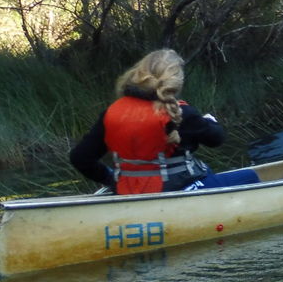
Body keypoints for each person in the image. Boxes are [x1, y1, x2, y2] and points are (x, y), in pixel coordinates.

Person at [69, 49, 261, 195]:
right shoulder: (181, 112)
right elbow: (217, 139)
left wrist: (111, 179)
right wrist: (210, 123)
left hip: (128, 192)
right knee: (250, 176)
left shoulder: (111, 113)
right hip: (174, 192)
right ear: (174, 82)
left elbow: (80, 158)